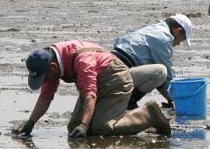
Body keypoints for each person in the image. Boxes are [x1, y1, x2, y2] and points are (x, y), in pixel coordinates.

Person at [14, 41, 172, 138]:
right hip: (96, 82)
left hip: (116, 80)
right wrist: (30, 124)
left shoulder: (83, 60)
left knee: (100, 128)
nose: (45, 82)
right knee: (73, 127)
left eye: (44, 78)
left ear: (53, 67)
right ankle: (115, 115)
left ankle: (149, 115)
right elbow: (45, 97)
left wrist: (85, 125)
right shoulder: (50, 62)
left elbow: (90, 95)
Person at [112, 15, 192, 108]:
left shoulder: (154, 30)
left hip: (114, 68)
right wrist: (178, 102)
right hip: (118, 74)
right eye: (180, 41)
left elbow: (158, 80)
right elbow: (168, 77)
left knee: (158, 73)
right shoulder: (164, 38)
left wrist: (169, 99)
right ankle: (129, 103)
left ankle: (127, 100)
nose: (178, 44)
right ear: (177, 31)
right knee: (161, 71)